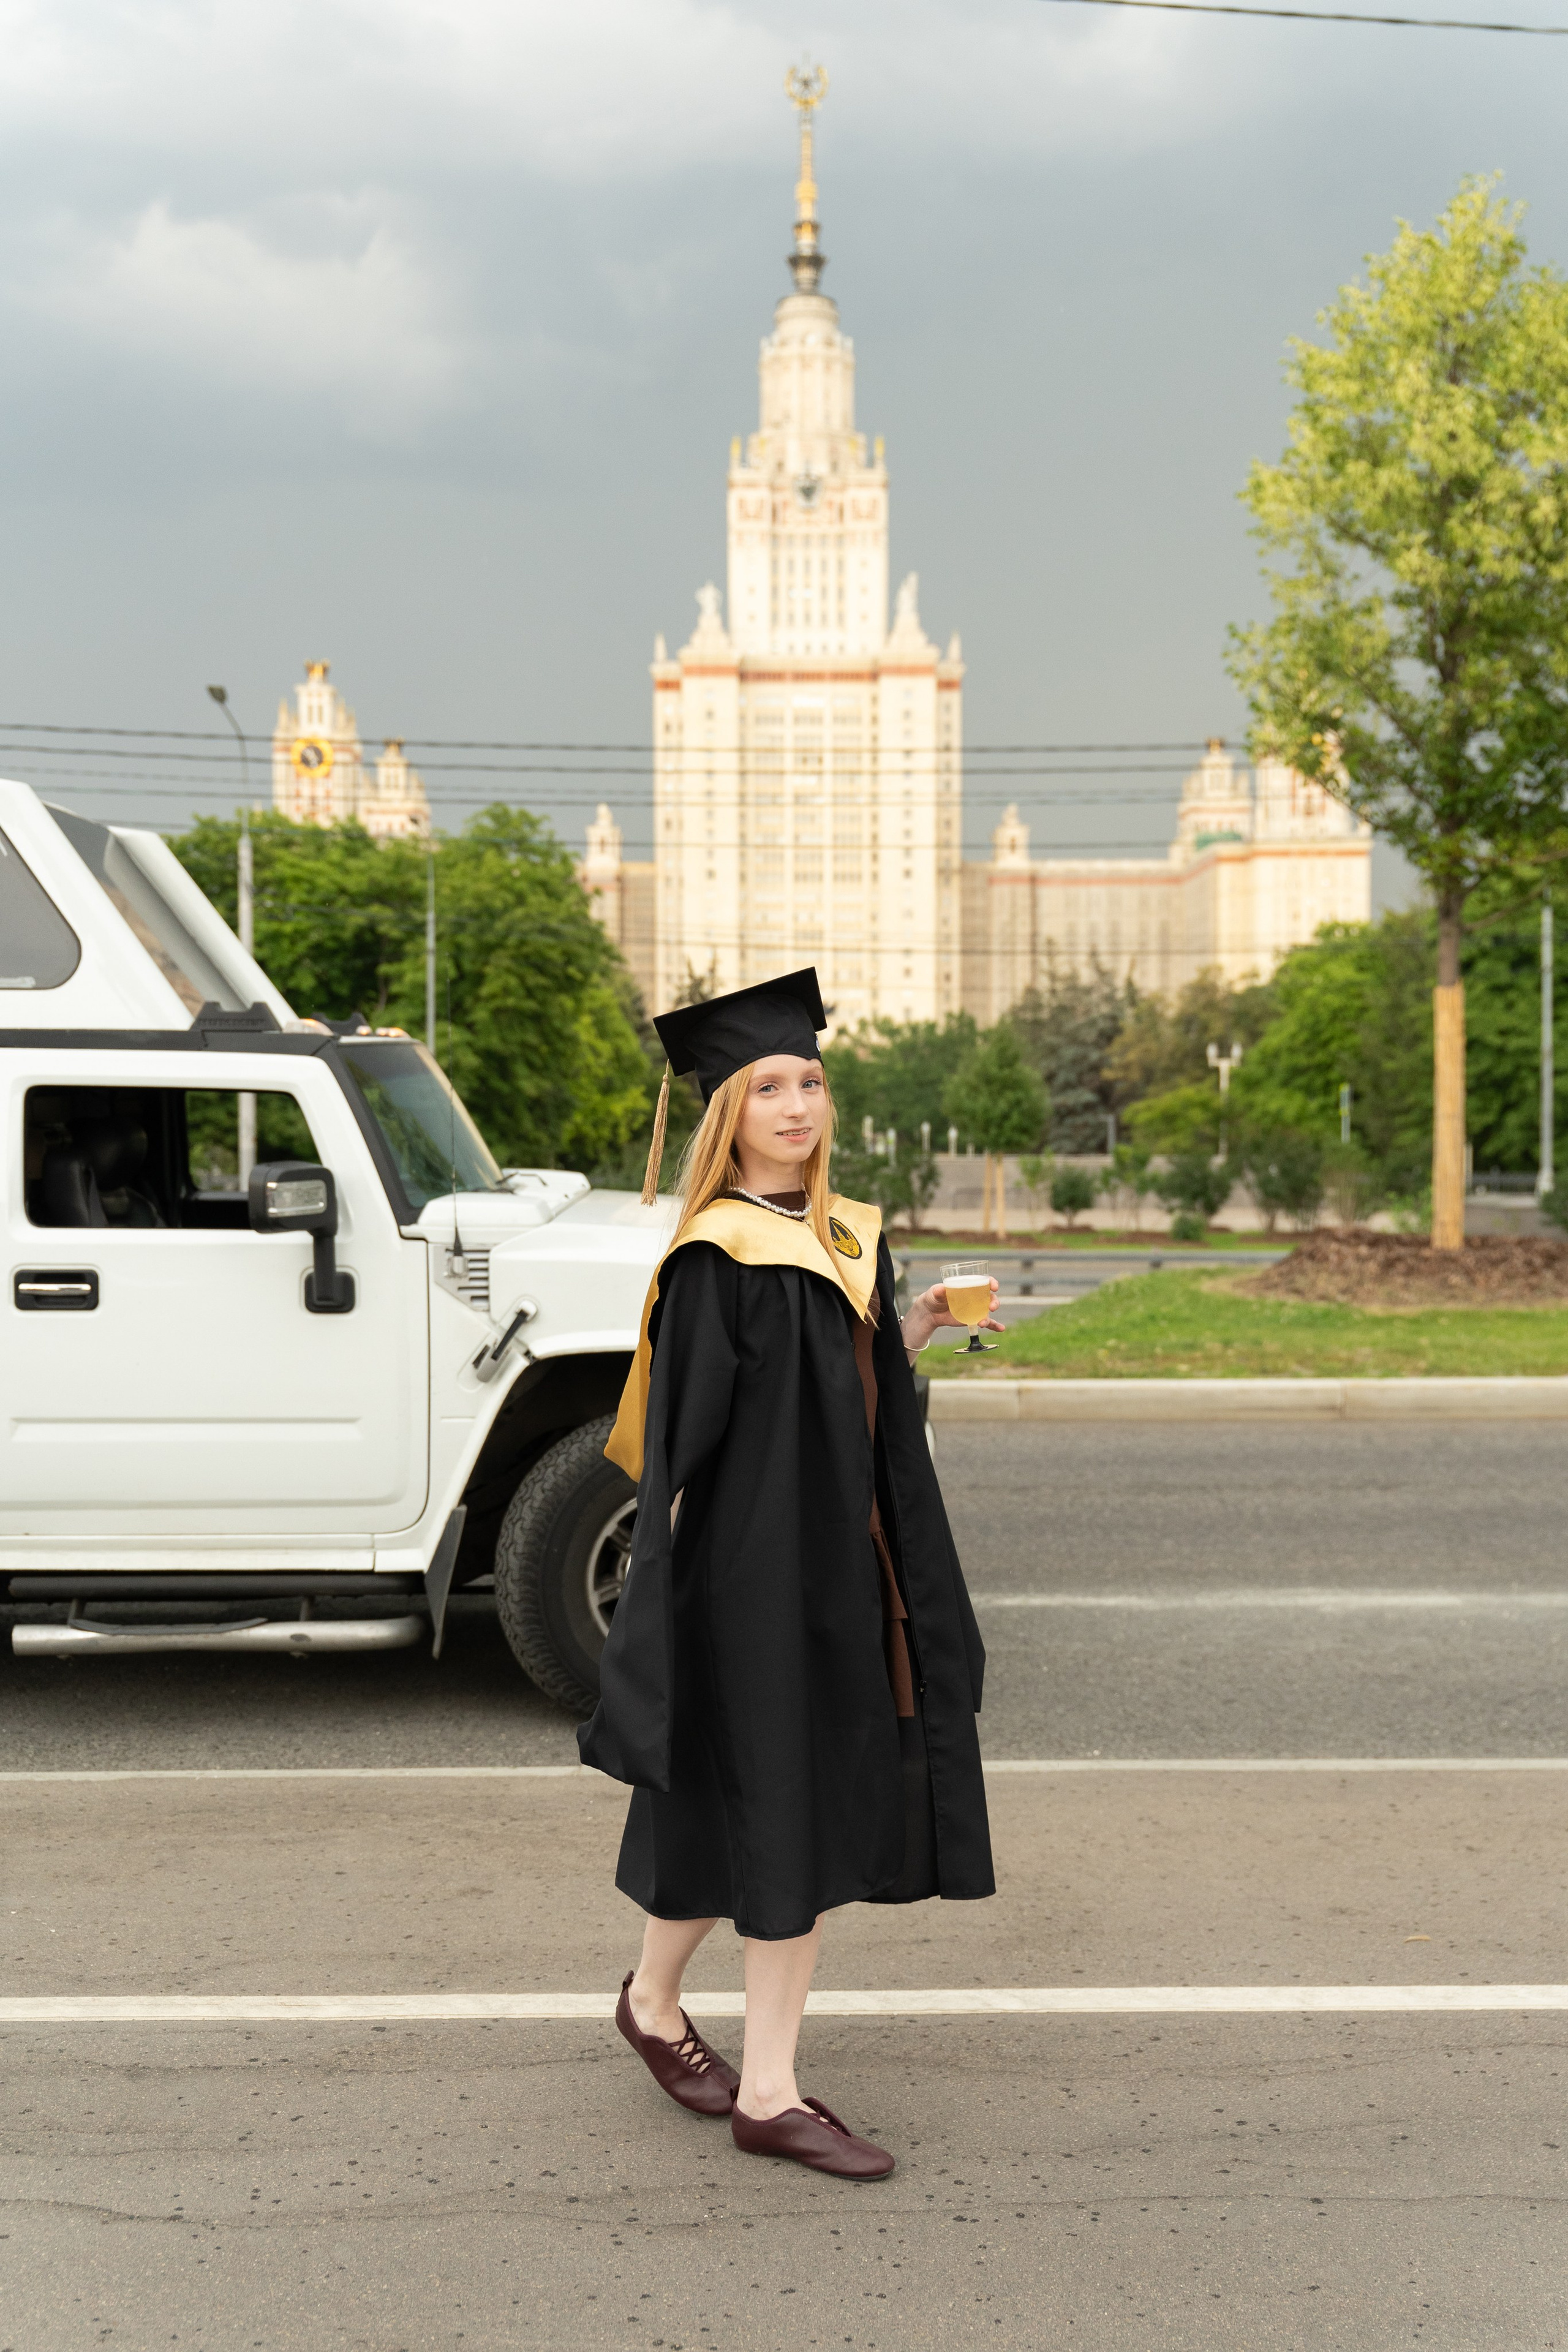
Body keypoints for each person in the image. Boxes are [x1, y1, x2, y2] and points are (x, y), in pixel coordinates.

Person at [579, 968, 998, 2180]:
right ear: (728, 1114)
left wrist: (907, 1332)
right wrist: (668, 1607)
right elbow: (678, 1452)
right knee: (784, 1810)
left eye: (809, 1081)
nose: (797, 1105)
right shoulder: (715, 1258)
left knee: (742, 1804)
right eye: (769, 1086)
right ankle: (768, 2091)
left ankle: (652, 2003)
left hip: (842, 1571)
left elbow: (851, 1403)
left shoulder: (847, 1235)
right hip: (753, 1579)